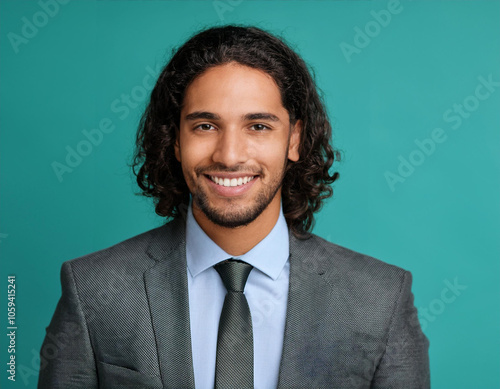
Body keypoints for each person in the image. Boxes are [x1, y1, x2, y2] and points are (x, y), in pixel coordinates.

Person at [38, 25, 430, 389]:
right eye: (205, 126)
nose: (228, 156)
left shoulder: (380, 300)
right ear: (175, 140)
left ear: (294, 139)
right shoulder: (92, 290)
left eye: (258, 126)